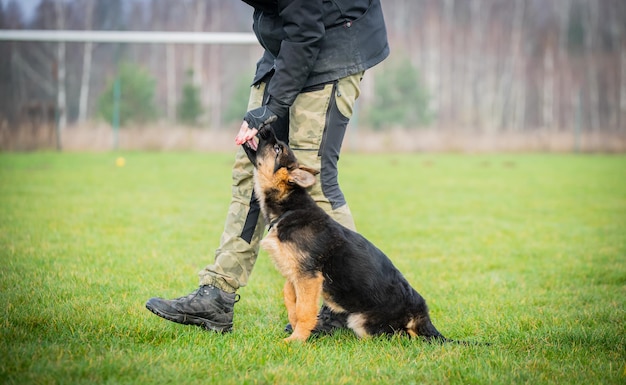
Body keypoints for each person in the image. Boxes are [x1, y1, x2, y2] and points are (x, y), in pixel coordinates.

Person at [146, 0, 389, 334]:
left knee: (311, 180)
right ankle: (218, 293)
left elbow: (306, 26)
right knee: (253, 174)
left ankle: (338, 309)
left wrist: (274, 105)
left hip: (335, 47)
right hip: (286, 49)